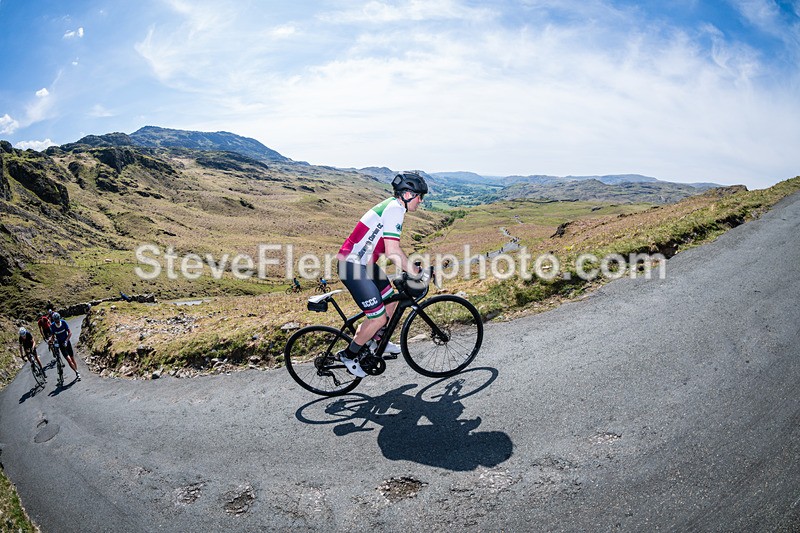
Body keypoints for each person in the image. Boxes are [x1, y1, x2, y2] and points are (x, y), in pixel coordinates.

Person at [335, 171, 427, 377]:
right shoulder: (395, 209)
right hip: (352, 266)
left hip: (365, 265)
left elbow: (385, 247)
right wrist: (414, 271)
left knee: (391, 301)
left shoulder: (393, 206)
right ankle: (348, 355)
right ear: (407, 194)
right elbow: (393, 251)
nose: (421, 201)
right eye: (420, 196)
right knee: (377, 318)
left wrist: (410, 268)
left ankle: (378, 342)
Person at [48, 312, 80, 381]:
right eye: (56, 320)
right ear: (54, 320)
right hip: (61, 344)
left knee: (72, 358)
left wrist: (66, 341)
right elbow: (53, 336)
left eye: (58, 320)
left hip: (67, 343)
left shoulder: (64, 322)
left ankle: (77, 370)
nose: (57, 321)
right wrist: (50, 340)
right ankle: (76, 372)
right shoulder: (53, 326)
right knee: (69, 360)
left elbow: (70, 333)